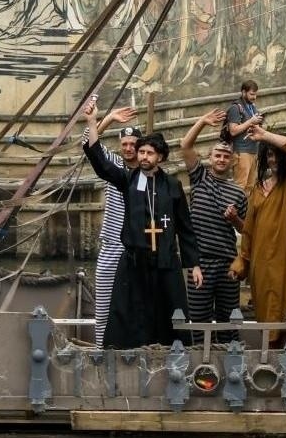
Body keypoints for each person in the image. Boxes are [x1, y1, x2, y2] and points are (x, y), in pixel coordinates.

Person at [82, 127, 202, 348]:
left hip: (165, 262)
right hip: (135, 263)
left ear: (160, 157)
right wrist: (92, 120)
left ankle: (171, 358)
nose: (144, 157)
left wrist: (193, 264)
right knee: (129, 315)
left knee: (169, 316)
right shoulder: (128, 180)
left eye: (149, 153)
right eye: (142, 152)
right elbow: (101, 165)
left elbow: (185, 227)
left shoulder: (173, 186)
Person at [228, 127, 286, 337]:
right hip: (261, 266)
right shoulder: (258, 189)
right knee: (267, 317)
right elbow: (249, 231)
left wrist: (265, 136)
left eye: (278, 155)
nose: (274, 160)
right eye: (270, 155)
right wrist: (242, 262)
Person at [179, 109, 248, 339]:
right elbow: (185, 146)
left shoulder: (238, 193)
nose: (221, 159)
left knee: (229, 324)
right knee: (199, 323)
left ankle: (230, 368)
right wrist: (201, 121)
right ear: (210, 158)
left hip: (228, 263)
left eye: (226, 156)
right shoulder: (199, 177)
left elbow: (245, 230)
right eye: (217, 155)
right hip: (200, 264)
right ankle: (203, 370)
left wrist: (235, 219)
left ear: (232, 160)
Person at [80, 99, 139, 346]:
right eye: (124, 144)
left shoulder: (146, 171)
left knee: (135, 305)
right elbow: (88, 143)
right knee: (103, 306)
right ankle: (101, 350)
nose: (127, 148)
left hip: (135, 248)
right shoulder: (113, 165)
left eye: (132, 144)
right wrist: (107, 119)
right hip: (111, 245)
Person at [224, 79, 265, 193]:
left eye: (256, 94)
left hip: (253, 151)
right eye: (252, 94)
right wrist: (251, 121)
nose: (254, 97)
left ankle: (248, 211)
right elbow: (233, 130)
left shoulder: (252, 107)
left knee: (251, 187)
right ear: (243, 92)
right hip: (241, 152)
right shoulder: (235, 108)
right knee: (240, 187)